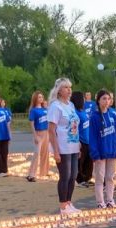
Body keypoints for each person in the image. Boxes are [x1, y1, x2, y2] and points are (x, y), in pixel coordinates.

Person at [47, 77, 81, 216]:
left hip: (73, 145)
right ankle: (63, 206)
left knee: (73, 175)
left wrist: (78, 144)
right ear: (59, 91)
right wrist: (56, 151)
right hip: (62, 147)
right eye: (66, 87)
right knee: (65, 176)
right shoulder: (55, 106)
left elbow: (75, 125)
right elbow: (51, 130)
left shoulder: (70, 105)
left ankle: (68, 203)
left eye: (70, 87)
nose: (69, 90)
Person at [89, 89, 116, 209]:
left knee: (110, 177)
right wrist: (95, 154)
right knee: (99, 178)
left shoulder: (113, 115)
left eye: (108, 99)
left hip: (112, 152)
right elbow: (92, 137)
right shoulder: (94, 117)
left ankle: (110, 199)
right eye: (104, 98)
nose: (107, 101)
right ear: (98, 100)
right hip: (100, 153)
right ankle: (100, 202)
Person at [71, 91, 93, 188]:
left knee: (89, 160)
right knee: (80, 161)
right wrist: (78, 141)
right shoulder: (74, 112)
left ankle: (87, 178)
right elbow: (74, 128)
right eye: (83, 98)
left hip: (88, 139)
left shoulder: (82, 111)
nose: (84, 100)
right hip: (81, 140)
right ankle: (80, 179)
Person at [27, 91, 49, 182]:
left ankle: (44, 172)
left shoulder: (45, 109)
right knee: (37, 153)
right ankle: (31, 174)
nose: (41, 98)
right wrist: (35, 135)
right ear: (35, 98)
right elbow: (31, 124)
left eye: (42, 97)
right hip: (39, 133)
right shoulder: (33, 110)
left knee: (45, 153)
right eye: (39, 97)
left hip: (46, 132)